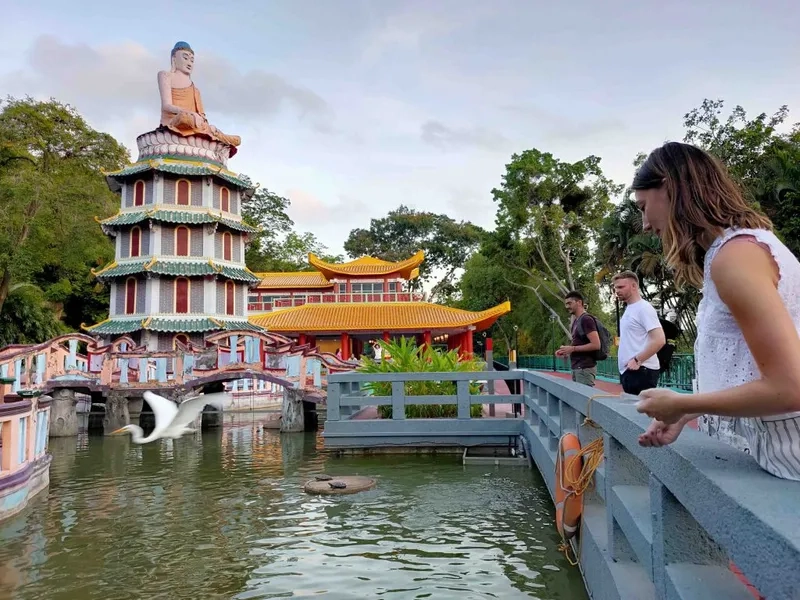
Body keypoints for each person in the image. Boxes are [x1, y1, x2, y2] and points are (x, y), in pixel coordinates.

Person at [633, 141, 800, 481]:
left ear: (669, 186)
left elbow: (790, 387)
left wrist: (683, 404)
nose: (645, 225)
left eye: (643, 206)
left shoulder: (735, 258)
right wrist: (682, 414)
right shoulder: (741, 248)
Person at [613, 271, 665, 395]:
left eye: (621, 287)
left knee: (640, 413)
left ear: (634, 286)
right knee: (631, 412)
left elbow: (659, 339)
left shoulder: (643, 308)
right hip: (630, 371)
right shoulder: (630, 309)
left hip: (642, 371)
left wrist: (637, 360)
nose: (617, 291)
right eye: (615, 288)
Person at [556, 291, 601, 387]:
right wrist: (566, 351)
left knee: (584, 400)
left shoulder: (586, 319)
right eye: (566, 304)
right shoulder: (577, 320)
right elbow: (579, 343)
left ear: (579, 302)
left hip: (584, 368)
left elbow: (596, 344)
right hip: (577, 367)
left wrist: (573, 349)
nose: (567, 306)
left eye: (569, 303)